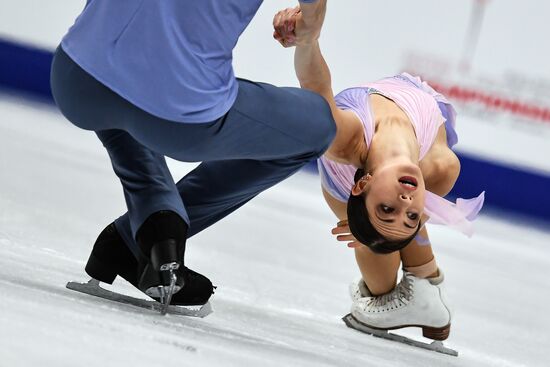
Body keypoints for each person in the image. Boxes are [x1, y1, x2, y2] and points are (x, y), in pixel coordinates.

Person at [50, 0, 336, 309]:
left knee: (122, 92)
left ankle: (158, 223)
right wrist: (310, 27)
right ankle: (138, 239)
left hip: (76, 79)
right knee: (318, 126)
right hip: (179, 118)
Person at [273, 4, 484, 340]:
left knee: (375, 241)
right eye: (412, 213)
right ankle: (424, 287)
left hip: (344, 187)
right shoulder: (441, 170)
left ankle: (416, 295)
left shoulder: (345, 143)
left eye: (389, 208)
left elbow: (314, 85)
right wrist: (402, 240)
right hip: (406, 125)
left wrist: (307, 40)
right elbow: (403, 216)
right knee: (385, 239)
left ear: (365, 183)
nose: (405, 200)